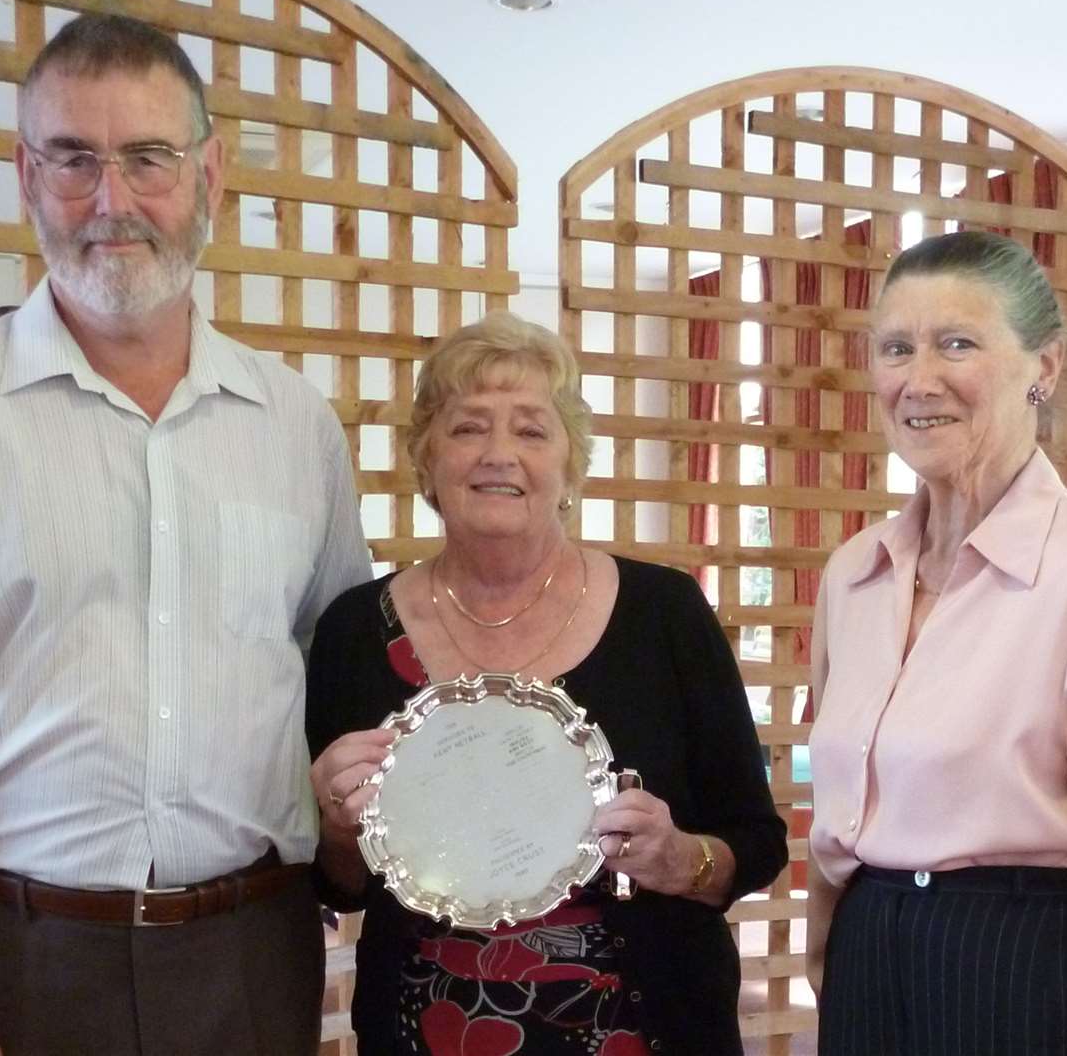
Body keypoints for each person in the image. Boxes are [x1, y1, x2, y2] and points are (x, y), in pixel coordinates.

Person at [0, 13, 370, 1056]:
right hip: (13, 959)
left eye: (148, 158)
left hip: (253, 955)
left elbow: (330, 680)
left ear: (208, 174)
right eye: (74, 159)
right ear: (27, 176)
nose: (111, 201)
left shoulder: (297, 426)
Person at [305, 313, 788, 1054]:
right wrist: (338, 829)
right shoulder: (354, 631)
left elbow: (754, 842)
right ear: (426, 459)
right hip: (425, 1030)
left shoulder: (664, 613)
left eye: (531, 430)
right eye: (468, 428)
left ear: (569, 463)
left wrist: (676, 860)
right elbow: (341, 882)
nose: (499, 454)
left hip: (645, 1029)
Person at [805, 230, 1067, 1054]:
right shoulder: (854, 575)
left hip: (1017, 967)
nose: (919, 380)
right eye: (895, 348)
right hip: (869, 954)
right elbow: (839, 814)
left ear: (1044, 368)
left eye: (957, 344)